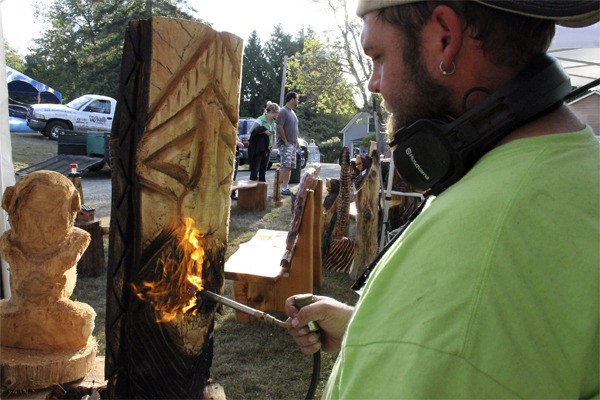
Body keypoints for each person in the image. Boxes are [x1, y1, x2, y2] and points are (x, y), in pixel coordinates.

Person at [286, 1, 599, 398]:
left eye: (378, 56)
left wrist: (412, 346)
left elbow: (463, 332)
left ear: (445, 38)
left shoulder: (477, 248)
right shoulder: (575, 169)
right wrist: (373, 328)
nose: (373, 83)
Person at [248, 101, 279, 182]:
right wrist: (264, 132)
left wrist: (272, 145)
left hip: (267, 148)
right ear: (272, 112)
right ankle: (252, 188)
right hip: (258, 148)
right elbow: (251, 132)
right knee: (255, 170)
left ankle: (261, 189)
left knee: (263, 170)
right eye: (277, 113)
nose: (278, 115)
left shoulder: (273, 123)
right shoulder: (260, 120)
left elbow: (273, 135)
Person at [276, 92, 300, 196]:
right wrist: (285, 141)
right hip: (285, 144)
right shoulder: (283, 111)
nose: (298, 101)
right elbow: (279, 126)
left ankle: (285, 188)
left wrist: (297, 143)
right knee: (285, 166)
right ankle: (277, 189)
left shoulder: (292, 112)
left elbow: (295, 130)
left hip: (293, 144)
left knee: (289, 167)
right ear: (292, 99)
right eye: (297, 99)